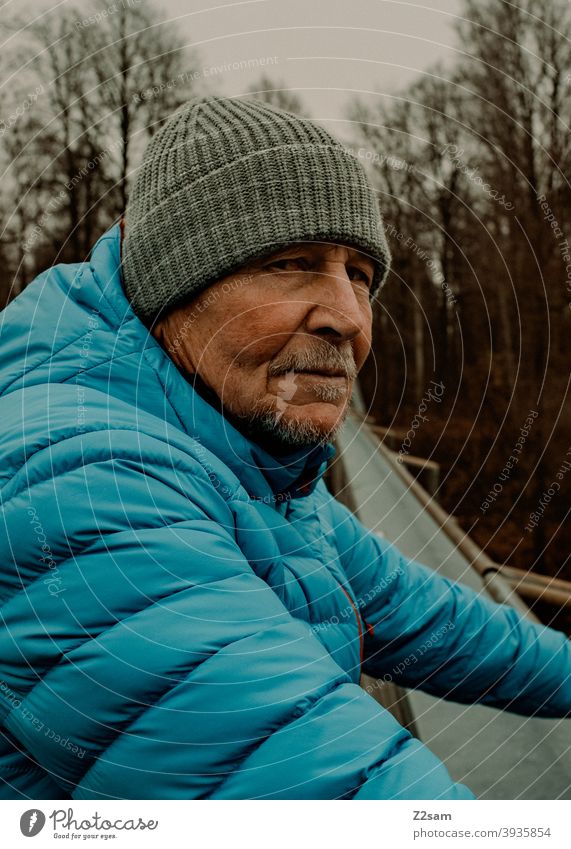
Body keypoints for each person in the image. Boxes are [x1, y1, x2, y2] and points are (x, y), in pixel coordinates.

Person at [0, 95, 569, 801]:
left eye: (358, 274)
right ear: (170, 287)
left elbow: (430, 618)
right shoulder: (79, 478)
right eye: (290, 262)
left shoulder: (248, 464)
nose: (347, 318)